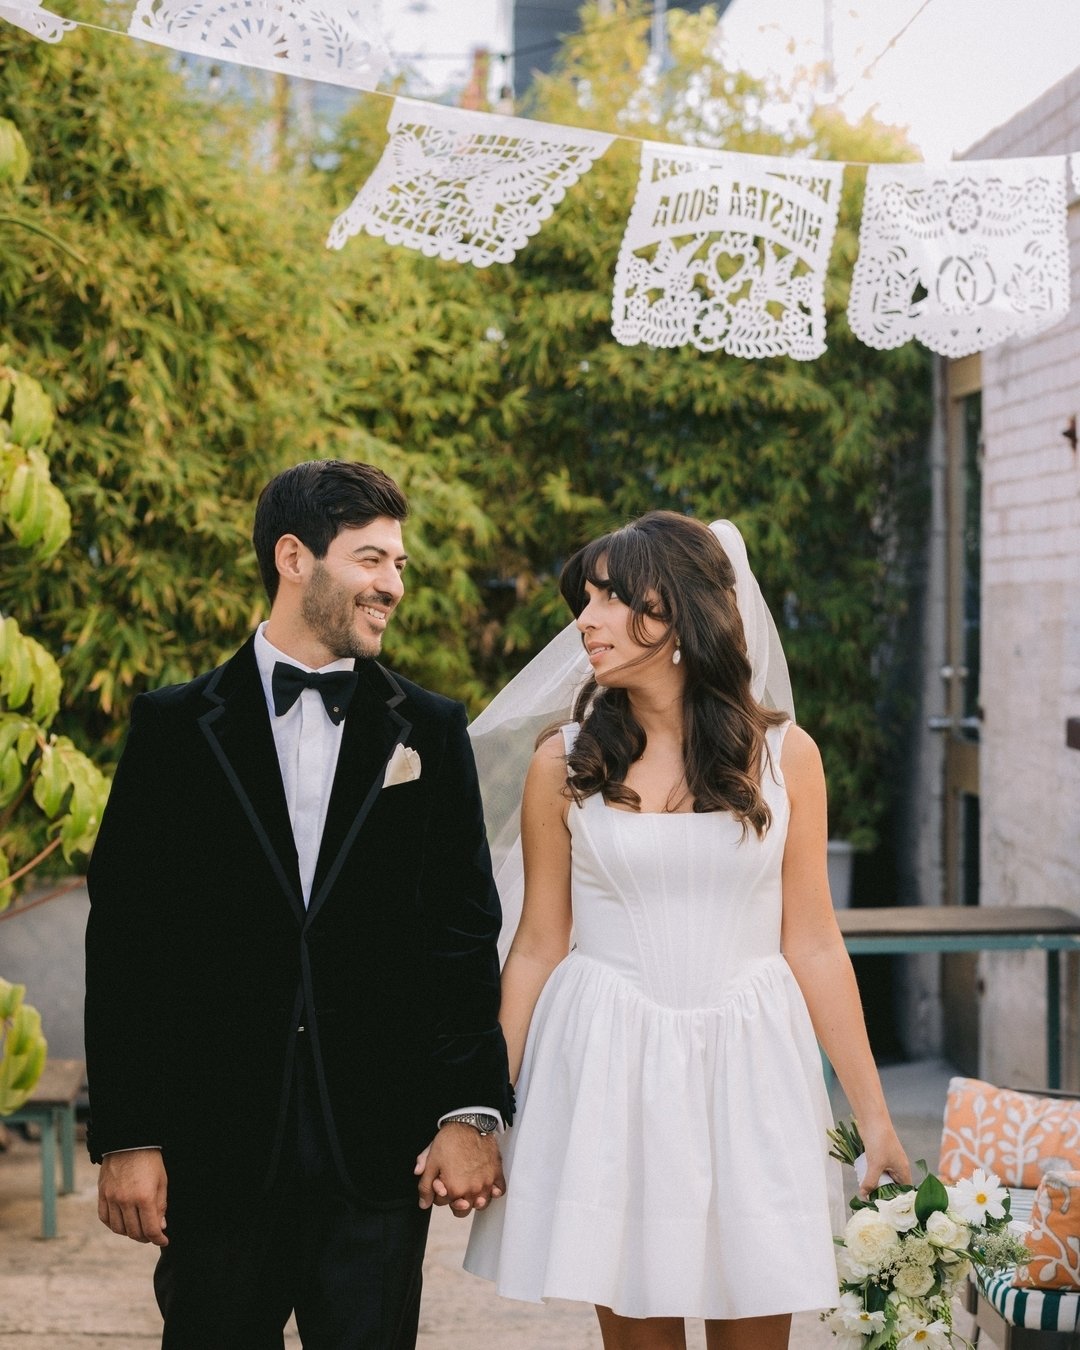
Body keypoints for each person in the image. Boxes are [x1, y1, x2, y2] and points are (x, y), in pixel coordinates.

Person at [84, 459, 513, 1350]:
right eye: (371, 559)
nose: (392, 584)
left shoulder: (428, 730)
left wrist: (470, 1110)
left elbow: (462, 931)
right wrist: (128, 1133)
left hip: (379, 1153)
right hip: (216, 1148)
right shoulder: (171, 729)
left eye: (398, 564)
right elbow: (129, 945)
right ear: (293, 558)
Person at [464, 511, 910, 1350]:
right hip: (609, 1070)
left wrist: (875, 1117)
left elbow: (812, 940)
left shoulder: (787, 757)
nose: (585, 620)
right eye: (585, 599)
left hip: (751, 1067)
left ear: (680, 619)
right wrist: (480, 1112)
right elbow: (536, 945)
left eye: (610, 598)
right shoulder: (563, 764)